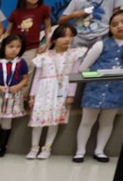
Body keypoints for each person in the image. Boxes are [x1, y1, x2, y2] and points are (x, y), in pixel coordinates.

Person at [73, 9, 123, 163]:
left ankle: (99, 151)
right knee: (87, 121)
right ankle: (80, 151)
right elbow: (83, 68)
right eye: (114, 24)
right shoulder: (101, 44)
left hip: (118, 90)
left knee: (107, 121)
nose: (120, 26)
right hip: (95, 89)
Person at [27, 24, 85, 160]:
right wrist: (32, 95)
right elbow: (37, 77)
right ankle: (34, 147)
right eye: (63, 36)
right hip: (43, 90)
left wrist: (71, 95)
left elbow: (74, 76)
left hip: (61, 89)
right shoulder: (44, 56)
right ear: (54, 39)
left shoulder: (74, 55)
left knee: (54, 120)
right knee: (38, 119)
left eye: (70, 36)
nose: (67, 39)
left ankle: (47, 148)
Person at [7, 0, 53, 65]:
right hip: (14, 48)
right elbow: (8, 32)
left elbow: (48, 27)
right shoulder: (16, 12)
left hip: (32, 48)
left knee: (27, 69)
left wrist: (47, 43)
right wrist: (4, 47)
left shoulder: (44, 9)